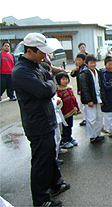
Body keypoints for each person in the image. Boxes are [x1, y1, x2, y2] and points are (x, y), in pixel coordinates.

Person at [12, 32, 70, 206]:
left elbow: (49, 82)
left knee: (49, 154)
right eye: (41, 52)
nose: (45, 56)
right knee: (41, 161)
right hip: (36, 123)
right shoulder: (21, 71)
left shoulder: (35, 65)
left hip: (46, 119)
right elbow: (46, 90)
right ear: (30, 51)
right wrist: (51, 81)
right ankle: (41, 199)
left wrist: (50, 81)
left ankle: (55, 184)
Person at [79, 55, 107, 143]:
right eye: (91, 63)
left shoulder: (97, 72)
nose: (93, 64)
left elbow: (101, 86)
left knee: (99, 117)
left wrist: (102, 99)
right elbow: (84, 88)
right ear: (87, 64)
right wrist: (88, 100)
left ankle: (97, 134)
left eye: (94, 62)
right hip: (90, 99)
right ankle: (92, 136)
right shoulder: (84, 73)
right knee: (91, 118)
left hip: (98, 98)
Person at [56, 71, 80, 149]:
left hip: (71, 111)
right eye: (63, 79)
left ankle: (69, 138)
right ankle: (64, 140)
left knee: (70, 125)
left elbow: (74, 99)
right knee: (64, 127)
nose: (65, 81)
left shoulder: (69, 89)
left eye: (66, 79)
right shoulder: (58, 91)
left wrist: (77, 108)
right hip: (64, 113)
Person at [71, 52, 87, 126]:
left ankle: (86, 119)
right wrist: (74, 71)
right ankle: (84, 119)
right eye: (77, 60)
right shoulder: (78, 68)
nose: (78, 62)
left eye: (80, 60)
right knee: (82, 105)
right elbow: (72, 75)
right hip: (80, 90)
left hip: (84, 90)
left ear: (84, 60)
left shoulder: (85, 68)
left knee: (85, 106)